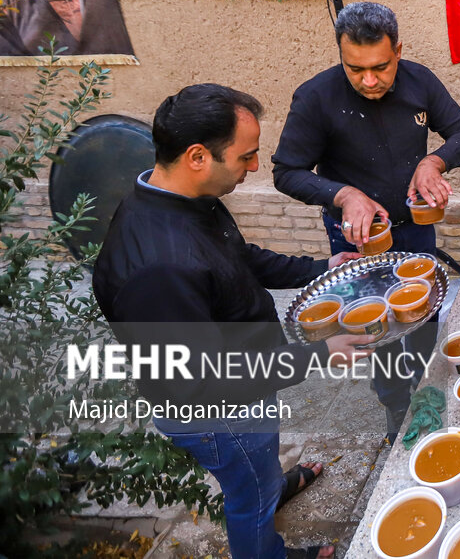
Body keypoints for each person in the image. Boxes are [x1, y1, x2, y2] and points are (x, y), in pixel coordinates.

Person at [93, 84, 375, 559]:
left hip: (243, 386)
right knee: (251, 500)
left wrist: (323, 269)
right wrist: (321, 353)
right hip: (218, 412)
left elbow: (238, 259)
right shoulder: (160, 269)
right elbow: (203, 383)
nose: (256, 167)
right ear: (198, 156)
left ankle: (269, 480)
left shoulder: (179, 195)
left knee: (260, 464)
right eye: (246, 157)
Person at [272, 1, 460, 437]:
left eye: (381, 67)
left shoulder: (420, 81)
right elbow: (285, 172)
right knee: (374, 324)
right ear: (341, 56)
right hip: (358, 236)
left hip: (414, 225)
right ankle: (393, 403)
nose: (369, 80)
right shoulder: (316, 97)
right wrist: (344, 194)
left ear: (398, 50)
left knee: (422, 314)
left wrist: (435, 162)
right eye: (355, 69)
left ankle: (424, 386)